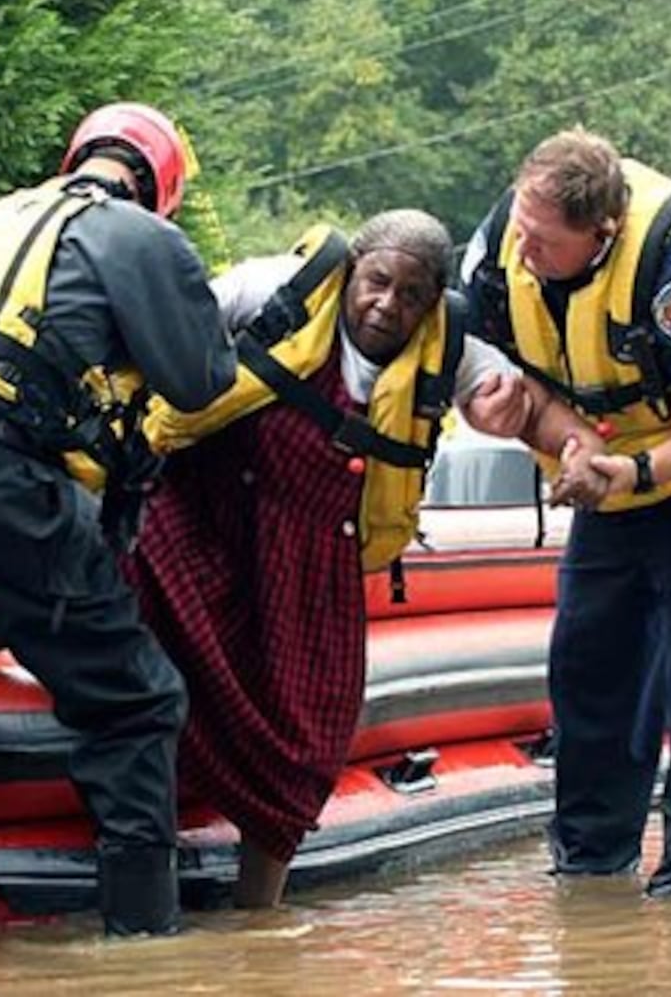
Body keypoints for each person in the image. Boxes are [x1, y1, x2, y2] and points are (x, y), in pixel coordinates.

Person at [125, 208, 606, 907]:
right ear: (353, 271)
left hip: (317, 551)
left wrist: (579, 450)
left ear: (433, 300)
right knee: (154, 651)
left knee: (309, 735)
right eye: (376, 282)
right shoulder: (274, 288)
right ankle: (147, 861)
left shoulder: (450, 346)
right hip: (208, 513)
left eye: (411, 295)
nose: (388, 305)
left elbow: (525, 409)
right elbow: (166, 326)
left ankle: (260, 920)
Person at [0, 102, 236, 936]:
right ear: (160, 185)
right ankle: (145, 947)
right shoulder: (142, 237)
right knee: (138, 702)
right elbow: (202, 380)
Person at [459, 126, 671, 897]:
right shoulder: (503, 247)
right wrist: (556, 434)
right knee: (589, 664)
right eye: (523, 229)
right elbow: (493, 371)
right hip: (609, 469)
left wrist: (638, 471)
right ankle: (590, 867)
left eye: (545, 242)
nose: (525, 251)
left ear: (602, 234)